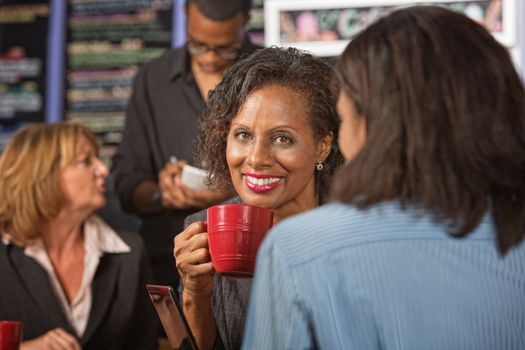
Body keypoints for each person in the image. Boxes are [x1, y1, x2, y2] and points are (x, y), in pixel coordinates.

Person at [243, 6, 525, 350]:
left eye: (345, 121)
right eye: (242, 135)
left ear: (371, 129)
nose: (257, 158)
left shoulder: (296, 251)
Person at [173, 46, 344, 350]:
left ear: (322, 146)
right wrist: (194, 294)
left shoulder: (355, 234)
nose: (256, 158)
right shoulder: (201, 233)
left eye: (282, 138)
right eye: (243, 135)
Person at [112, 0, 260, 289]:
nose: (210, 58)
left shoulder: (274, 77)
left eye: (224, 48)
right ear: (185, 13)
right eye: (198, 44)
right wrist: (161, 194)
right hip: (169, 263)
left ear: (245, 21)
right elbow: (126, 180)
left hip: (252, 262)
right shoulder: (153, 81)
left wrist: (231, 190)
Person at [0, 123, 158, 350]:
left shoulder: (130, 252)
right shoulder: (4, 253)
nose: (103, 170)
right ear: (43, 174)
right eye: (86, 161)